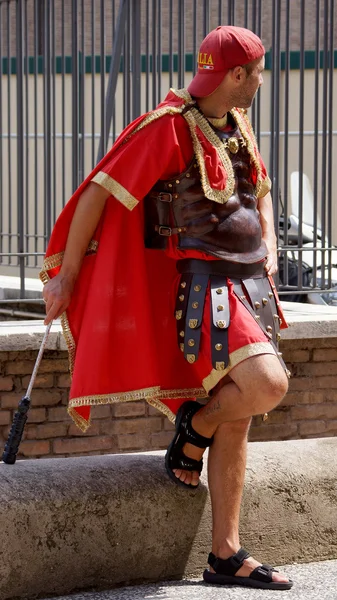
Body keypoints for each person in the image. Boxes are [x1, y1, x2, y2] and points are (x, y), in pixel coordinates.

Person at [42, 25, 293, 590]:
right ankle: (192, 428)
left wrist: (271, 251)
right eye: (255, 71)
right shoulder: (171, 126)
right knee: (265, 385)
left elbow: (261, 190)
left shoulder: (234, 121)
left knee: (241, 413)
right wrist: (68, 277)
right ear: (236, 75)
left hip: (249, 283)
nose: (260, 80)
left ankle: (224, 554)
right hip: (205, 288)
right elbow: (99, 191)